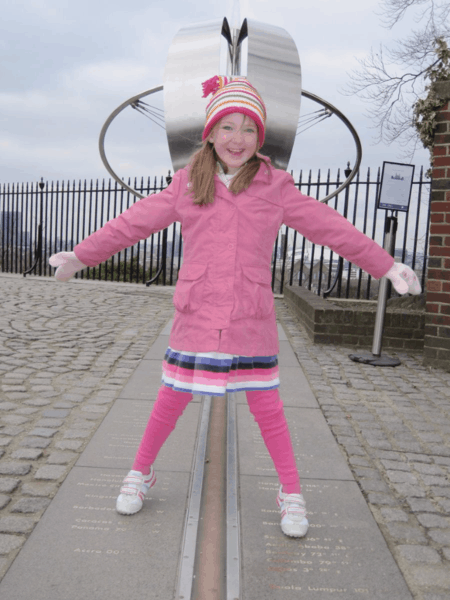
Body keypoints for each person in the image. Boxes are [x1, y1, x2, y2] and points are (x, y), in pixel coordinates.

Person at [49, 75, 421, 539]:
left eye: (249, 129)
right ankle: (140, 472)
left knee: (267, 405)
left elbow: (330, 228)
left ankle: (291, 492)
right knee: (172, 397)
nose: (238, 139)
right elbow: (133, 224)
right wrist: (82, 255)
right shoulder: (187, 183)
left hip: (249, 315)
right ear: (210, 132)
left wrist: (385, 265)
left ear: (260, 137)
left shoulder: (276, 186)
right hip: (198, 313)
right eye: (228, 127)